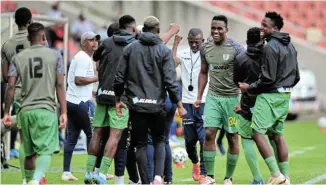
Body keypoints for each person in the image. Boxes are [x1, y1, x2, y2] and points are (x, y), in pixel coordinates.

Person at [114, 16, 186, 185]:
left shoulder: (130, 49)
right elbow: (171, 81)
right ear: (158, 31)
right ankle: (158, 178)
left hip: (136, 105)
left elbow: (119, 78)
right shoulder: (164, 51)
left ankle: (146, 182)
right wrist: (180, 105)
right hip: (157, 106)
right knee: (160, 140)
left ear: (143, 30)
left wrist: (118, 99)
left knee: (140, 144)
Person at [239, 11, 300, 184]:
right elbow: (297, 76)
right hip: (285, 96)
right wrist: (285, 88)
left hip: (270, 96)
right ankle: (286, 177)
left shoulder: (270, 46)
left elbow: (267, 79)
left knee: (257, 134)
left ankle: (275, 174)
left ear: (274, 28)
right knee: (277, 136)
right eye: (261, 24)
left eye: (264, 25)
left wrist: (248, 87)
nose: (261, 28)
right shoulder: (291, 46)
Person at [3, 22, 67, 185]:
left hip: (24, 109)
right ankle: (37, 180)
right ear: (43, 37)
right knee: (45, 151)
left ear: (29, 38)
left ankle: (26, 180)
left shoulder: (18, 58)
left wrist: (6, 112)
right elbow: (60, 84)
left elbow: (10, 86)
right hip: (45, 109)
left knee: (27, 149)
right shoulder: (56, 56)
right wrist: (64, 111)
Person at [85, 15, 137, 184]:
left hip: (102, 95)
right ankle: (102, 175)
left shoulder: (106, 43)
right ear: (131, 28)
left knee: (97, 133)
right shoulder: (134, 46)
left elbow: (95, 58)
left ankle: (89, 172)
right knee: (114, 136)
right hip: (120, 98)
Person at [195, 15, 245, 185]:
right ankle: (209, 176)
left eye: (219, 29)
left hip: (232, 99)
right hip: (213, 97)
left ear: (226, 30)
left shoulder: (237, 49)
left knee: (232, 137)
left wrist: (242, 100)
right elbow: (203, 72)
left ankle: (228, 178)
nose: (215, 31)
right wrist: (199, 96)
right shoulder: (205, 48)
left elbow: (245, 76)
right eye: (213, 28)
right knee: (209, 134)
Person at [62, 31, 100, 181]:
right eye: (91, 40)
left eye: (96, 40)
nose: (94, 42)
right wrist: (98, 78)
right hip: (80, 103)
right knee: (94, 136)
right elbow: (79, 80)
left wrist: (92, 92)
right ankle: (94, 172)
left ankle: (66, 172)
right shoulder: (84, 58)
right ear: (84, 43)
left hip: (72, 101)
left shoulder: (81, 57)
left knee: (71, 138)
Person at [1, 7, 33, 185]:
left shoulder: (6, 45)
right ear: (30, 21)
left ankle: (25, 180)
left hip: (19, 93)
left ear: (15, 22)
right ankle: (36, 178)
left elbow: (6, 77)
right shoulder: (38, 42)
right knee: (39, 139)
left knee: (24, 137)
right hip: (39, 94)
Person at [172, 28, 208, 181]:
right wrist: (175, 45)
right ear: (188, 40)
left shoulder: (207, 55)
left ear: (203, 41)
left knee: (203, 139)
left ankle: (204, 174)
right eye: (191, 42)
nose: (194, 45)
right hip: (187, 103)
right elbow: (172, 63)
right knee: (190, 142)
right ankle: (195, 163)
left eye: (197, 42)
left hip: (204, 102)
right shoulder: (184, 54)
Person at [233, 27, 265, 184]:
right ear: (262, 40)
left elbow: (236, 82)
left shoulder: (240, 58)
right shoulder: (268, 55)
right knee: (275, 137)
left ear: (246, 41)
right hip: (267, 102)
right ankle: (282, 176)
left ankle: (258, 179)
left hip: (247, 103)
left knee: (246, 138)